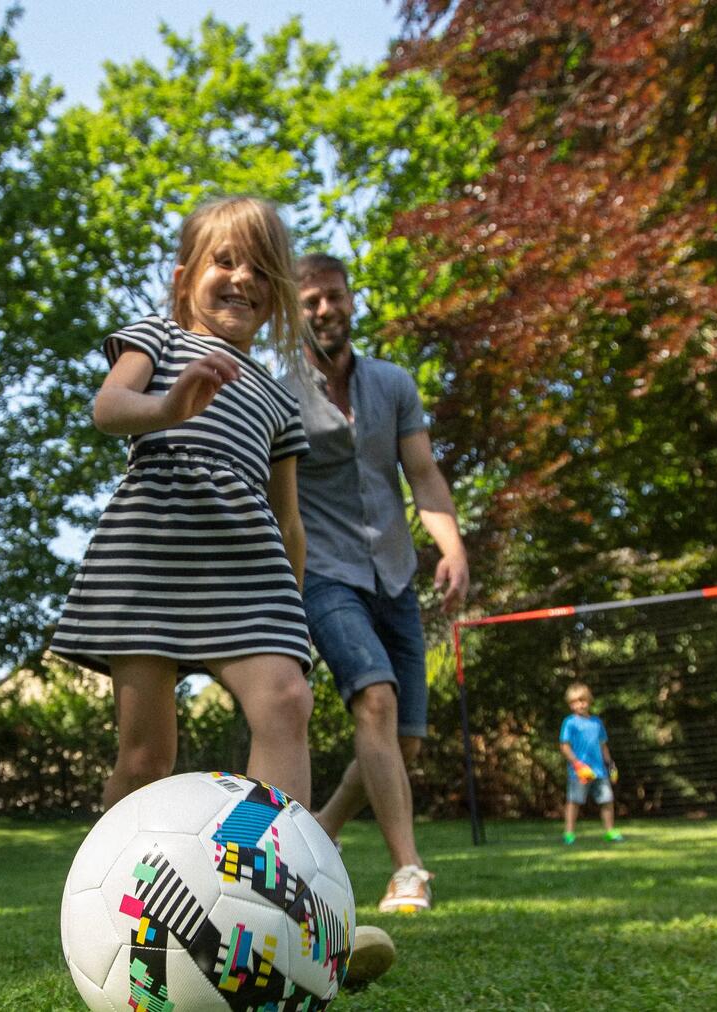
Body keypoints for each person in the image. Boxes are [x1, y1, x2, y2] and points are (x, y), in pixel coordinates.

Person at [51, 196, 317, 808]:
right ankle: (118, 893)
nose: (243, 278)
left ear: (275, 295)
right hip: (149, 559)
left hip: (246, 568)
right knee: (146, 759)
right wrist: (169, 408)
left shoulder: (280, 402)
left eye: (260, 269)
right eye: (225, 261)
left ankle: (257, 867)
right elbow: (109, 408)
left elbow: (289, 519)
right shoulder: (158, 338)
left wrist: (294, 620)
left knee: (285, 699)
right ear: (183, 279)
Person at [294, 252, 469, 914]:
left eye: (333, 297)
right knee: (373, 697)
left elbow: (422, 473)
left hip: (394, 572)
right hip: (324, 574)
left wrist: (452, 548)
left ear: (351, 302)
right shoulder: (280, 391)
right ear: (294, 309)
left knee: (404, 740)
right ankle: (408, 873)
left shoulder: (392, 384)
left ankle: (323, 829)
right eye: (310, 301)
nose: (324, 310)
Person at [559, 682, 622, 844]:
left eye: (582, 700)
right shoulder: (569, 723)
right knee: (574, 801)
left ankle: (610, 831)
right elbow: (564, 747)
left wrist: (611, 764)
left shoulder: (597, 723)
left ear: (589, 700)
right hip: (579, 772)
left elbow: (603, 746)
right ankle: (569, 833)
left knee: (607, 800)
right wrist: (577, 764)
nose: (579, 705)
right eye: (574, 702)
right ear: (570, 705)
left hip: (600, 771)